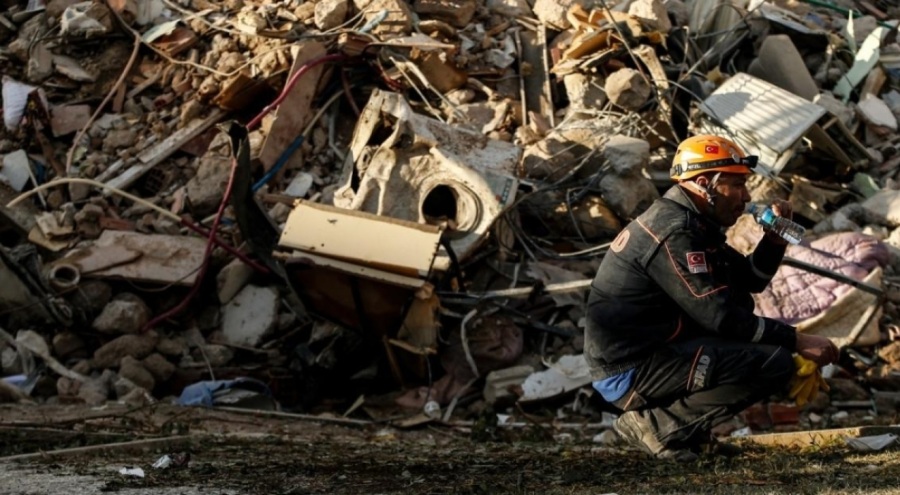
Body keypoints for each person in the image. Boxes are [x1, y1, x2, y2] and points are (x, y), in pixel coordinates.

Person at [584, 134, 840, 462]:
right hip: (629, 369)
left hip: (650, 353)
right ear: (705, 183)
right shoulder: (675, 232)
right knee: (771, 361)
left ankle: (690, 434)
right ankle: (660, 426)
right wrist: (796, 339)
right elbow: (719, 316)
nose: (745, 198)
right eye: (737, 186)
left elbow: (749, 281)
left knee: (749, 323)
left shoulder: (693, 223)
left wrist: (773, 241)